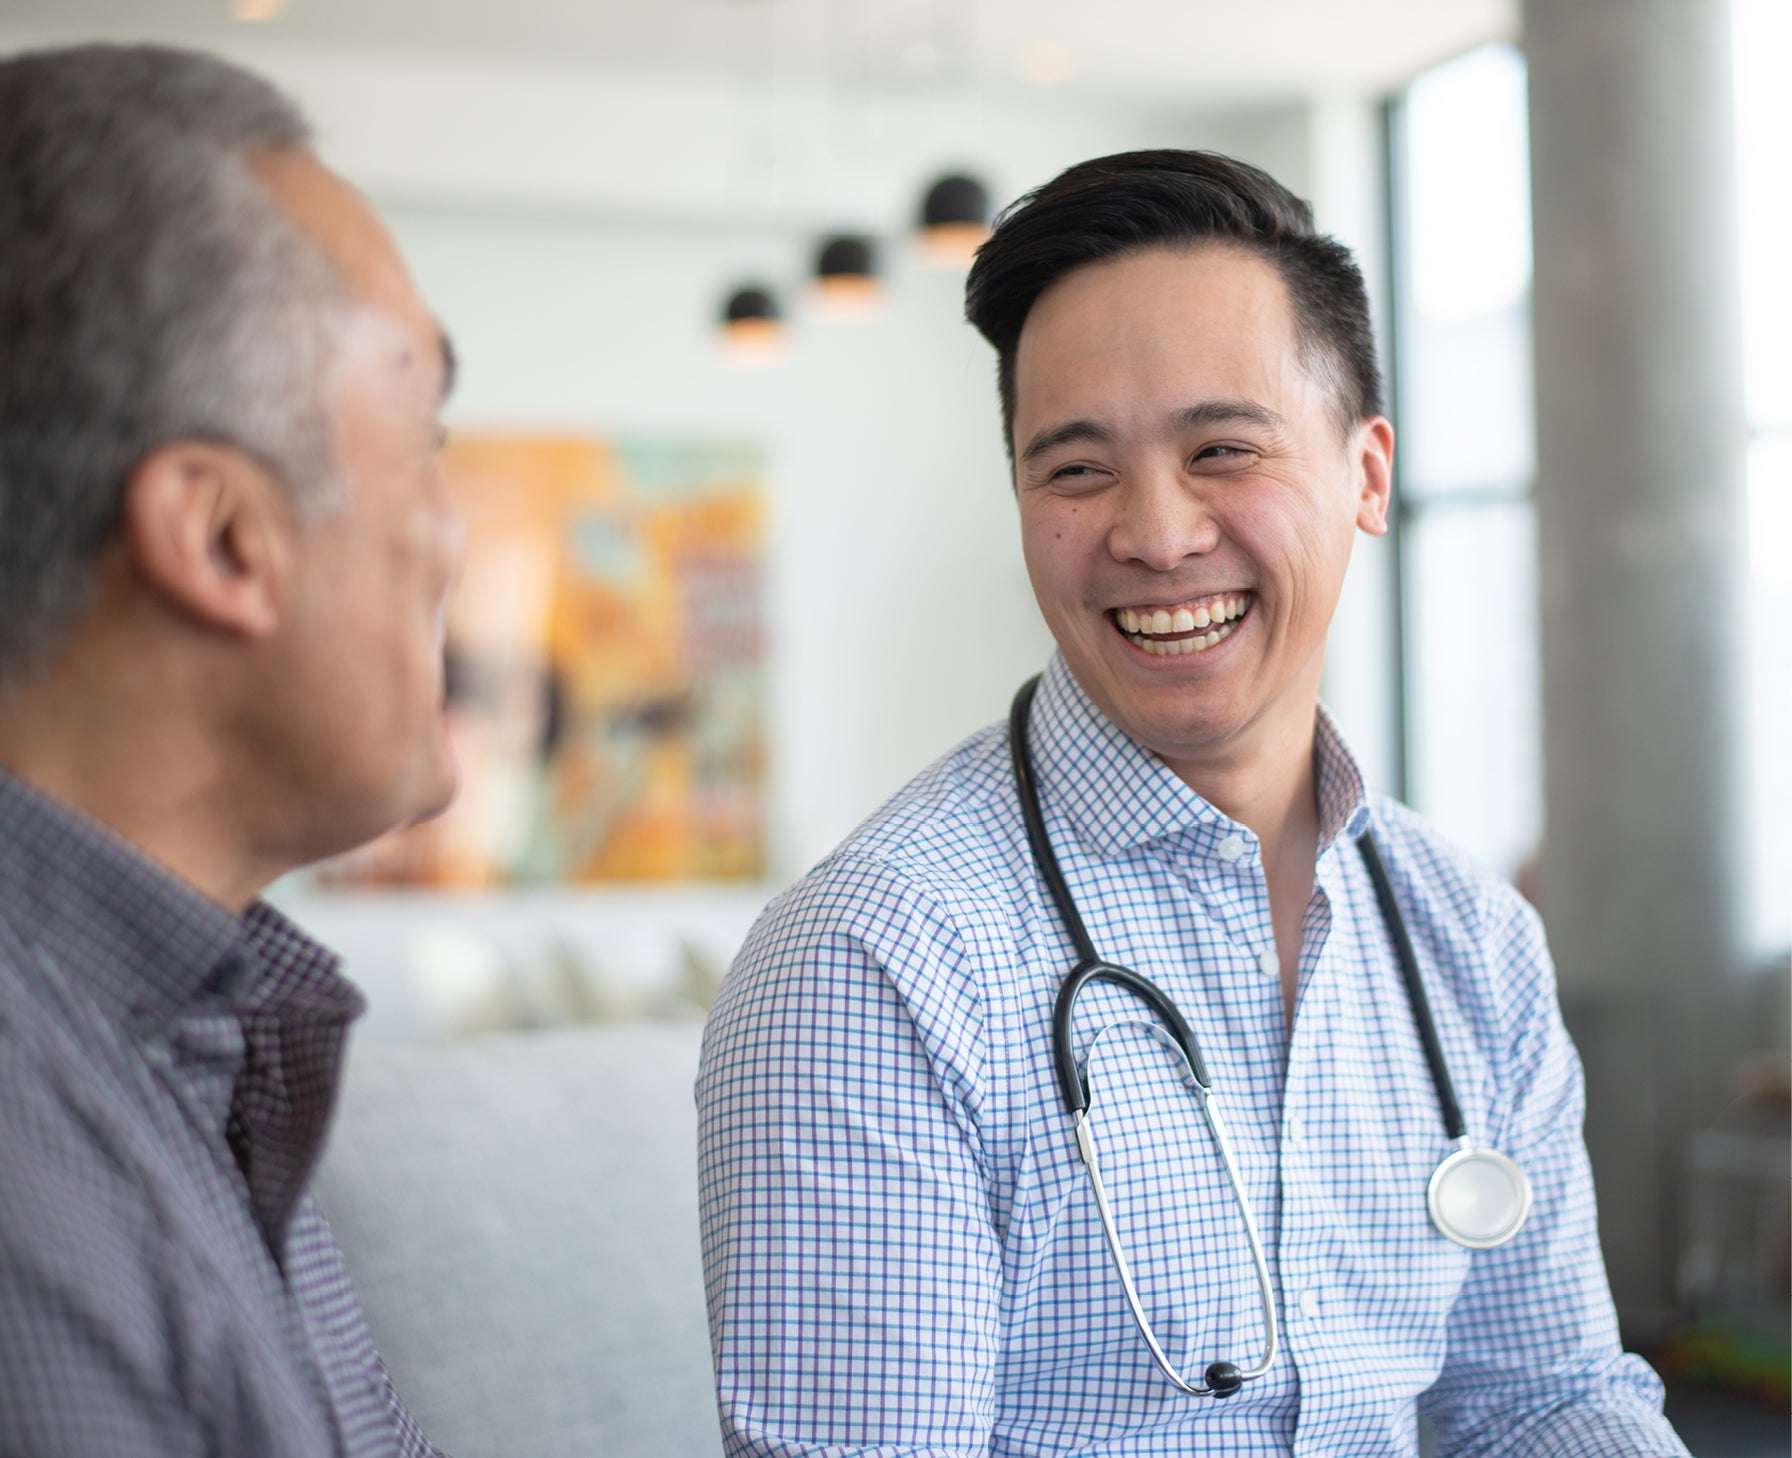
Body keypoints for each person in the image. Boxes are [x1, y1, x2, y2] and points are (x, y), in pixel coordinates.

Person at [696, 151, 1687, 1455]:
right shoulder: (873, 964)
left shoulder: (1471, 939)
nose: (1156, 534)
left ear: (1369, 475)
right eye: (1077, 470)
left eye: (1222, 448)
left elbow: (1545, 1395)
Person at [0, 44, 461, 1456]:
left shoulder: (189, 1037)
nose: (450, 540)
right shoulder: (37, 1207)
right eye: (426, 446)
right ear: (222, 541)